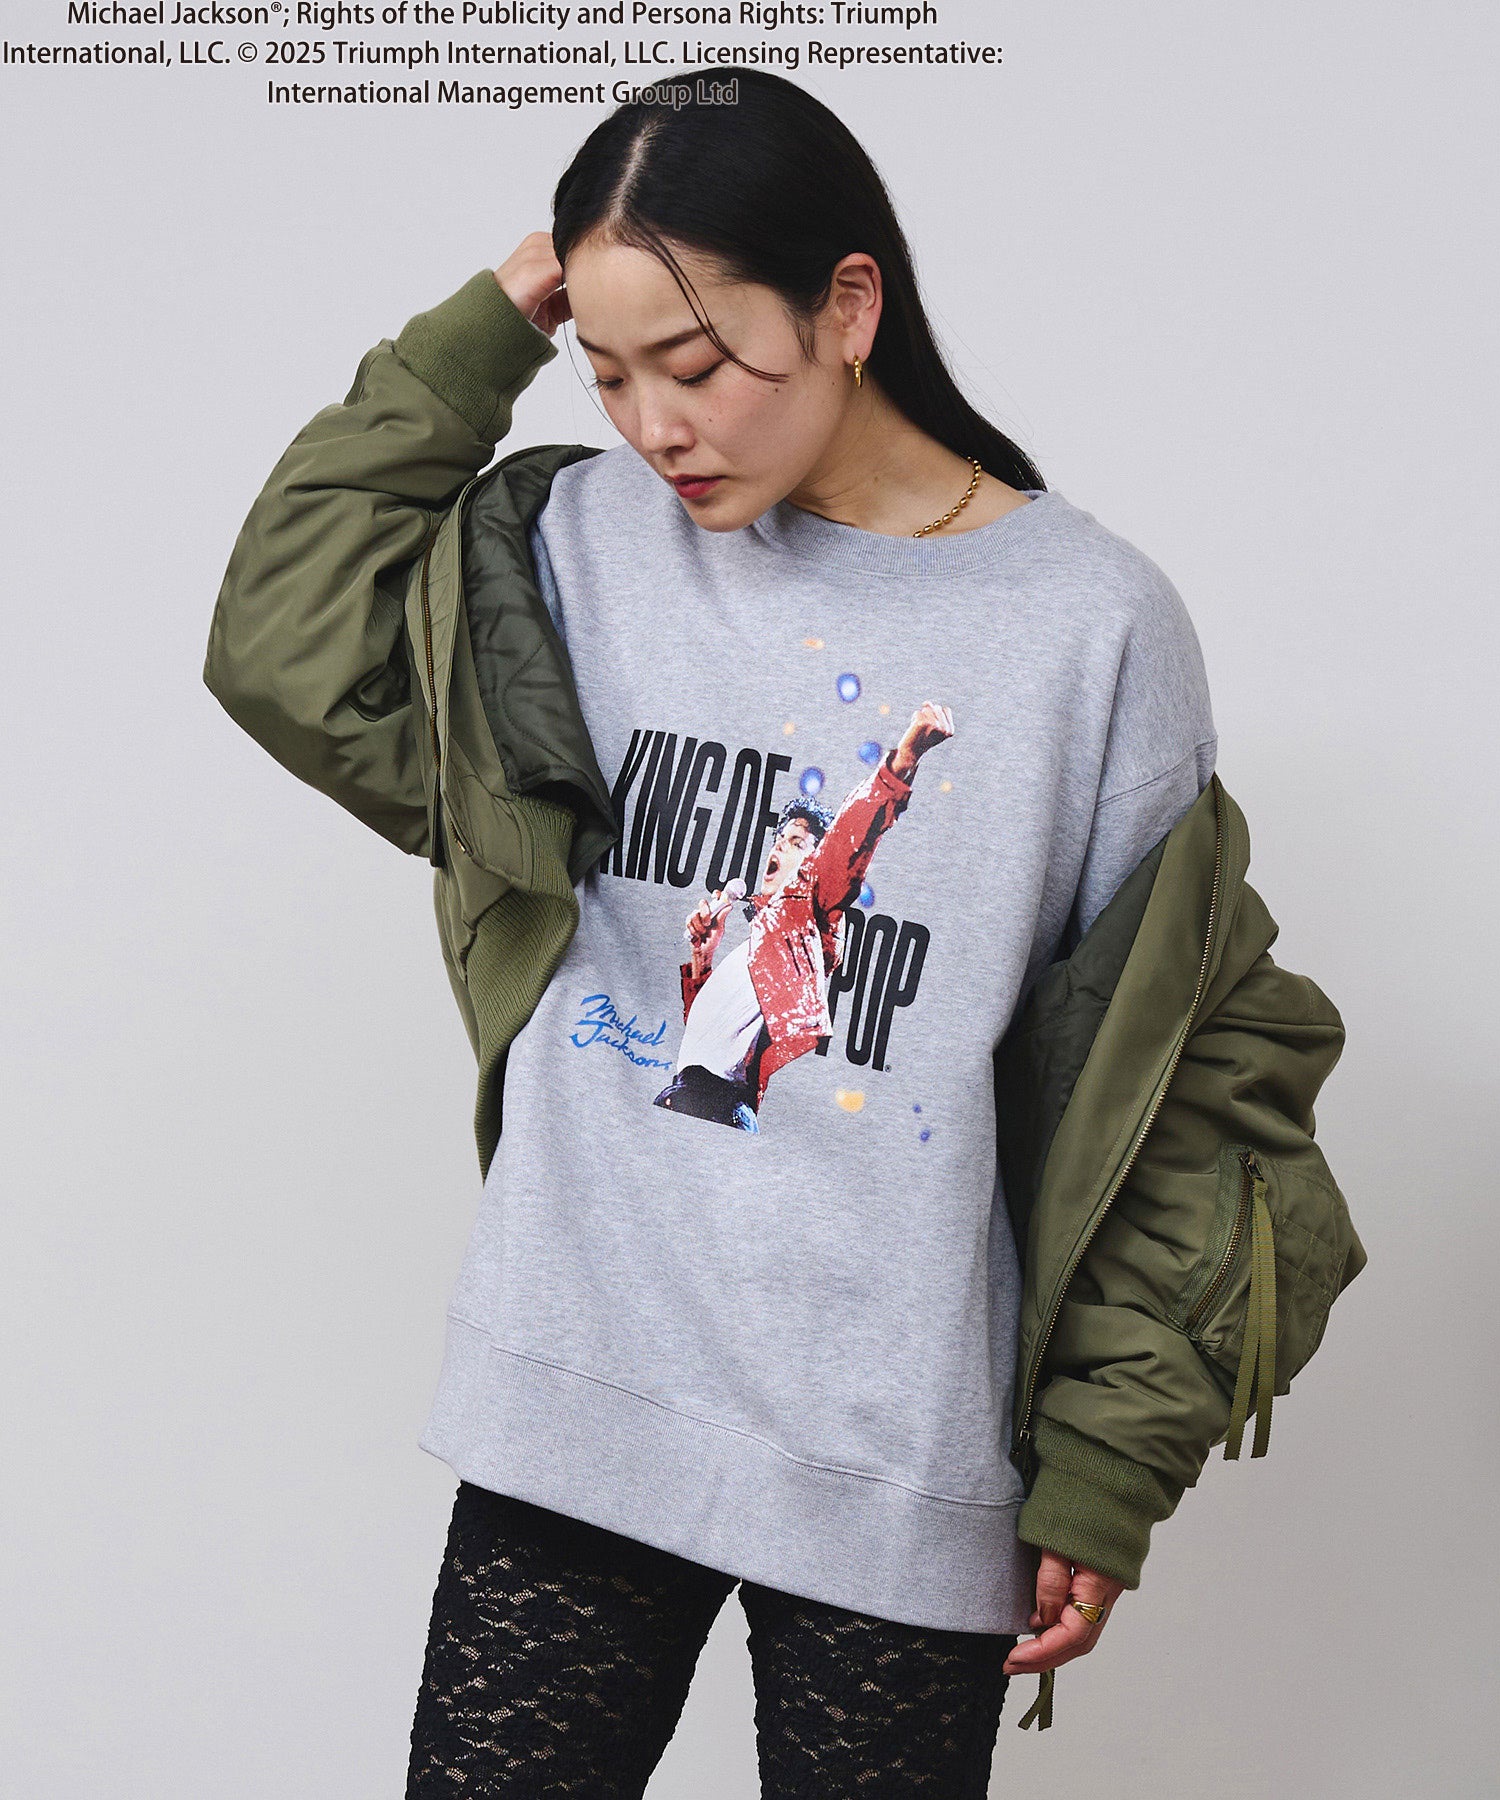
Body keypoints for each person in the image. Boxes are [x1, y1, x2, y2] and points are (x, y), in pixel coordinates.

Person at [206, 66, 1327, 1795]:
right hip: (585, 1394)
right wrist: (499, 318)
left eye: (699, 360)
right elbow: (286, 644)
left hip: (901, 1454)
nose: (658, 425)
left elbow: (1191, 1085)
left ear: (848, 305)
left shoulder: (1088, 627)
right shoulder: (575, 544)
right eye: (611, 373)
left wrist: (1109, 1466)